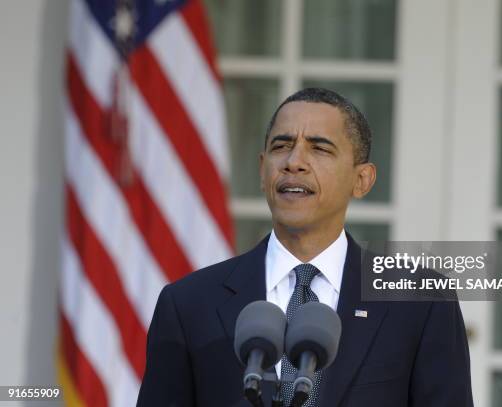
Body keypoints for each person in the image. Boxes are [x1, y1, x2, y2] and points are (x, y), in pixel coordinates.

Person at [137, 88, 473, 406]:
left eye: (320, 148)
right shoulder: (188, 304)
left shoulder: (422, 303)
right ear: (261, 169)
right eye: (281, 146)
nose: (294, 162)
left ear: (362, 180)